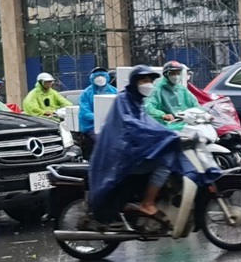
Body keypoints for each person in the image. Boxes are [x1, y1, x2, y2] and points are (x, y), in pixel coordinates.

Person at [86, 65, 206, 223]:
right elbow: (133, 125)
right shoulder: (124, 100)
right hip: (121, 154)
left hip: (131, 149)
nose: (148, 84)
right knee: (165, 161)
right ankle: (147, 203)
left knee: (168, 152)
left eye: (150, 80)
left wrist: (172, 133)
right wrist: (166, 134)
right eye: (144, 80)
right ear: (135, 82)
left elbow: (149, 123)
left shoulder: (138, 100)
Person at [75, 68, 116, 158]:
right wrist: (98, 118)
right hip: (92, 126)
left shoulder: (114, 91)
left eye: (102, 75)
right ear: (92, 78)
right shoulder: (86, 93)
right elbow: (85, 112)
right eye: (97, 76)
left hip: (111, 125)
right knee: (103, 141)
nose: (100, 78)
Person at [149, 60, 197, 130]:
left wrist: (205, 114)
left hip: (186, 123)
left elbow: (195, 104)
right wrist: (162, 115)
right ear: (166, 74)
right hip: (167, 125)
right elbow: (149, 107)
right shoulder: (158, 89)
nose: (176, 76)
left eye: (178, 73)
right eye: (173, 73)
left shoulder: (182, 89)